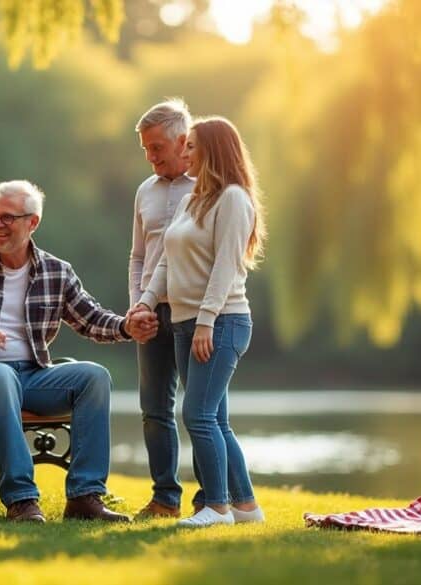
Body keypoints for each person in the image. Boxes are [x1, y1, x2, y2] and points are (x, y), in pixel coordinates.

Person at [0, 180, 158, 523]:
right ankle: (22, 500)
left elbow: (91, 318)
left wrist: (127, 327)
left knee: (94, 377)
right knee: (0, 375)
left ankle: (85, 497)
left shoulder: (56, 271)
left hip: (33, 373)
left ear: (32, 222)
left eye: (8, 218)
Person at [135, 116, 267, 527]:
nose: (184, 152)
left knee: (198, 415)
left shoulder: (232, 199)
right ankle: (246, 506)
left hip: (222, 321)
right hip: (184, 321)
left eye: (191, 146)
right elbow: (165, 261)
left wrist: (207, 321)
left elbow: (227, 267)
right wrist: (144, 301)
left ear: (211, 150)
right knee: (215, 418)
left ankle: (217, 507)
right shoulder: (198, 198)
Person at [129, 99, 194, 519]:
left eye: (157, 147)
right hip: (151, 317)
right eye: (146, 150)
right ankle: (165, 498)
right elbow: (138, 256)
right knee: (154, 409)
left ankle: (212, 499)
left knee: (202, 412)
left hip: (193, 314)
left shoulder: (209, 186)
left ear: (182, 141)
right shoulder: (144, 192)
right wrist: (137, 307)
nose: (151, 157)